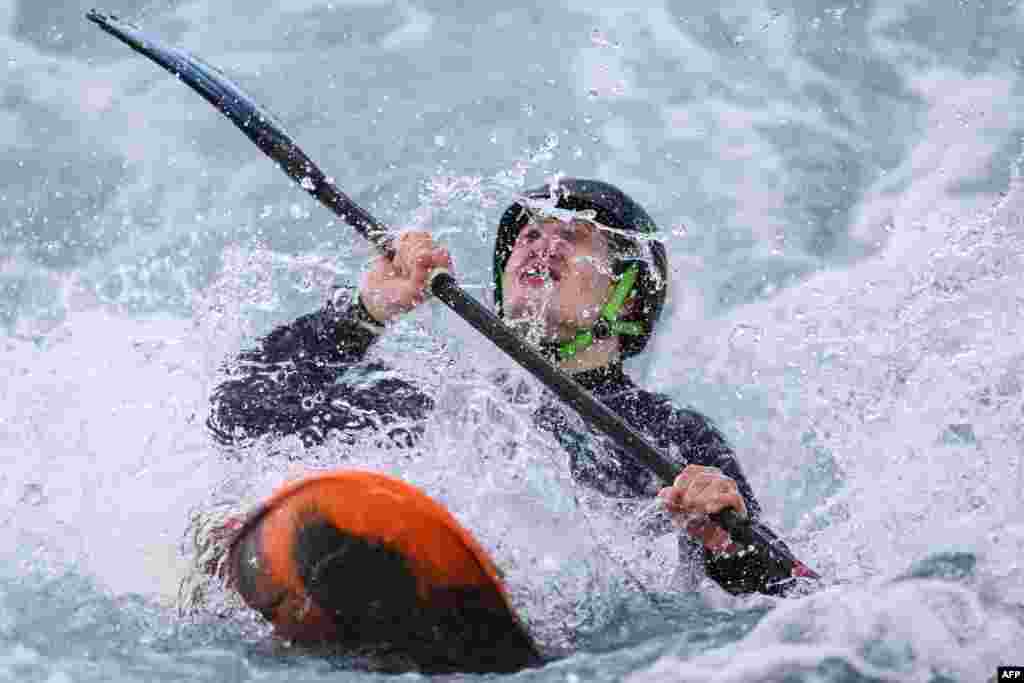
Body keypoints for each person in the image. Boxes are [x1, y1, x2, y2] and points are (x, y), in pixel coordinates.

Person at [207, 178, 816, 597]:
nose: (542, 241)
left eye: (575, 237)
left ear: (629, 301)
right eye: (529, 233)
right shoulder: (440, 393)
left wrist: (724, 541)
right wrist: (366, 311)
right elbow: (238, 414)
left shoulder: (673, 438)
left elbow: (785, 588)